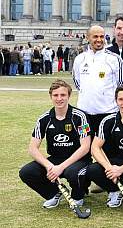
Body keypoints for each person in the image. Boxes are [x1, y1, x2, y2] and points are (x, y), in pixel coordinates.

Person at [19, 80, 91, 209]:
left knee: (74, 173)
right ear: (50, 96)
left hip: (78, 159)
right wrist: (49, 166)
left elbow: (85, 146)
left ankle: (78, 196)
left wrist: (61, 167)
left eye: (63, 95)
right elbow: (32, 148)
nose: (59, 99)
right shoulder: (44, 118)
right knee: (26, 172)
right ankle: (53, 193)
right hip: (55, 159)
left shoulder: (80, 117)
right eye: (56, 95)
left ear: (69, 96)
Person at [73, 25, 123, 134]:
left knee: (106, 149)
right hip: (84, 115)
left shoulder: (114, 59)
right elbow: (78, 84)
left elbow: (122, 86)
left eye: (102, 36)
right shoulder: (80, 59)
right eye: (95, 36)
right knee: (85, 148)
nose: (99, 40)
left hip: (108, 114)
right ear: (88, 37)